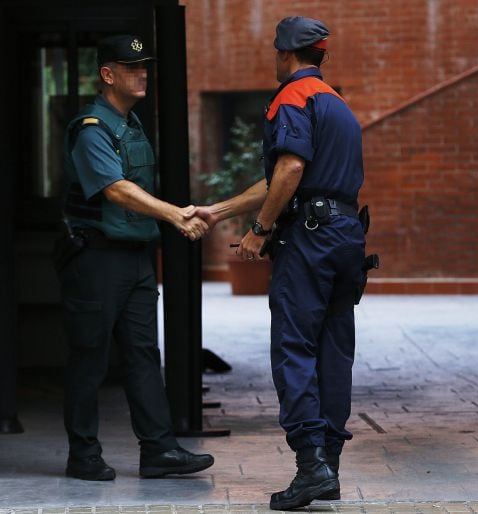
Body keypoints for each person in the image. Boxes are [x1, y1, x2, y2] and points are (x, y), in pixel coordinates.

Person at [189, 16, 366, 509]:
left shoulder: (292, 96)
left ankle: (311, 466)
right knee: (335, 351)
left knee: (294, 348)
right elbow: (288, 179)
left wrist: (259, 231)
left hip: (308, 242)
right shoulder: (338, 106)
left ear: (284, 54)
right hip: (346, 237)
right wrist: (220, 209)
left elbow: (289, 168)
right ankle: (327, 462)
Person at [56, 34, 214, 481]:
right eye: (131, 67)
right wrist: (177, 215)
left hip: (135, 257)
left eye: (145, 66)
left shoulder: (131, 123)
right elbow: (116, 189)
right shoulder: (92, 128)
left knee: (144, 353)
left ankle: (159, 450)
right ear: (108, 75)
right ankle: (83, 454)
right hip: (96, 260)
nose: (142, 73)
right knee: (90, 356)